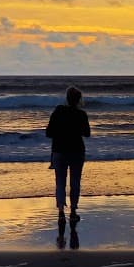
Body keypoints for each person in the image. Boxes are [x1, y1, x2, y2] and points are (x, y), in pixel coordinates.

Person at [46, 86, 91, 235]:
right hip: (77, 150)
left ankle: (60, 213)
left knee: (60, 182)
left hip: (59, 150)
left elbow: (49, 132)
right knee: (75, 181)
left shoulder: (58, 111)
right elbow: (87, 133)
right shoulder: (81, 114)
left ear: (67, 98)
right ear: (78, 100)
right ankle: (73, 211)